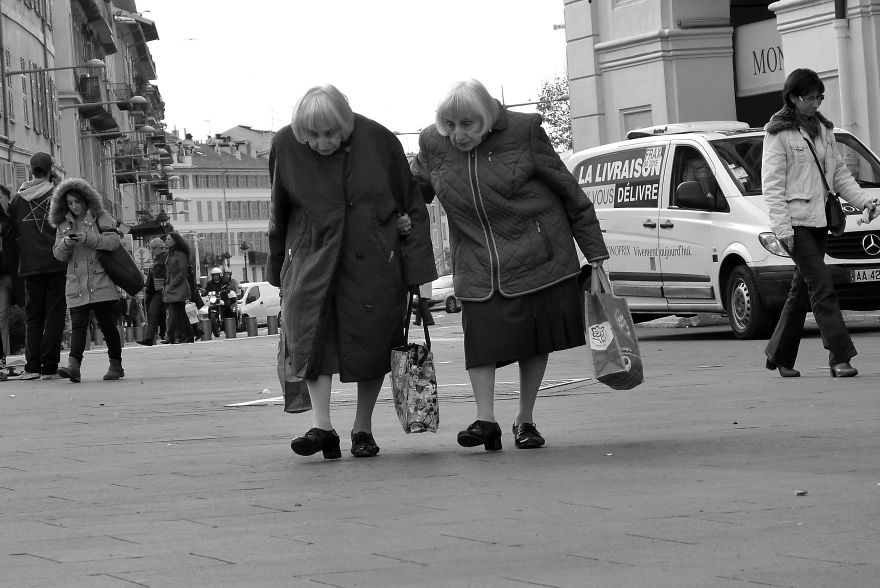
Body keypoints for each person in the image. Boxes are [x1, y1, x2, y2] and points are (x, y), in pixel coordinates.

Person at [411, 79, 608, 450]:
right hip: (475, 259)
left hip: (537, 253)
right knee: (480, 340)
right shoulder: (432, 143)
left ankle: (525, 419)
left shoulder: (524, 131)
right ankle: (486, 421)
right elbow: (412, 189)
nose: (457, 134)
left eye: (467, 125)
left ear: (487, 117)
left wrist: (594, 252)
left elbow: (570, 191)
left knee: (533, 341)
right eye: (449, 125)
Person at [268, 84, 436, 459]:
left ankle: (363, 428)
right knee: (310, 338)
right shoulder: (284, 145)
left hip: (373, 261)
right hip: (312, 259)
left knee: (373, 342)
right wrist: (278, 268)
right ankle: (322, 427)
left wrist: (415, 269)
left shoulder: (378, 140)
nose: (321, 142)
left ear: (347, 123)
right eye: (311, 134)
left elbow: (410, 201)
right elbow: (279, 209)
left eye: (330, 133)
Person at [762, 68, 879, 379]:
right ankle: (840, 356)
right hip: (795, 224)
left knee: (801, 291)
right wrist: (783, 229)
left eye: (818, 97)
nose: (815, 103)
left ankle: (779, 355)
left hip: (820, 222)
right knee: (823, 286)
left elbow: (839, 175)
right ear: (792, 97)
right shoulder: (778, 134)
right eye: (808, 97)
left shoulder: (825, 130)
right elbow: (772, 186)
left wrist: (864, 200)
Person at [49, 178, 124, 382]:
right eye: (70, 203)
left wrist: (88, 238)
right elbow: (57, 254)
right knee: (78, 325)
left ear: (86, 200)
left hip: (100, 279)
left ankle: (116, 365)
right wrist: (65, 243)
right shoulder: (63, 224)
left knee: (107, 324)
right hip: (76, 282)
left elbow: (114, 240)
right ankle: (74, 366)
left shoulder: (100, 217)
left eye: (77, 202)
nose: (74, 207)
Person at [7, 152, 66, 380]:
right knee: (54, 314)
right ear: (51, 169)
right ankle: (49, 366)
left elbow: (12, 232)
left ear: (32, 170)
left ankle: (32, 367)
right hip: (56, 262)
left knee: (33, 316)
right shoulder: (57, 196)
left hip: (30, 265)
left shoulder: (17, 200)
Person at [162, 232, 194, 344]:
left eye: (169, 239)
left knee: (178, 312)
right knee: (177, 312)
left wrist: (172, 283)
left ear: (175, 241)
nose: (166, 241)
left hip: (178, 286)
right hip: (171, 286)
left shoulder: (180, 254)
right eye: (166, 239)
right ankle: (183, 336)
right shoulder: (170, 254)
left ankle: (185, 335)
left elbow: (183, 271)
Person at [136, 237, 167, 346]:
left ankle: (150, 338)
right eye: (151, 248)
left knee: (155, 312)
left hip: (160, 290)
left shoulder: (164, 258)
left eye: (153, 248)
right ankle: (150, 338)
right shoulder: (158, 258)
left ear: (160, 247)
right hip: (156, 290)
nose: (152, 251)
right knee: (154, 313)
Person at [0, 185, 15, 366]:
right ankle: (1, 356)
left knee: (31, 314)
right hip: (3, 276)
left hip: (21, 274)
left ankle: (36, 355)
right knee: (1, 316)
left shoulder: (17, 215)